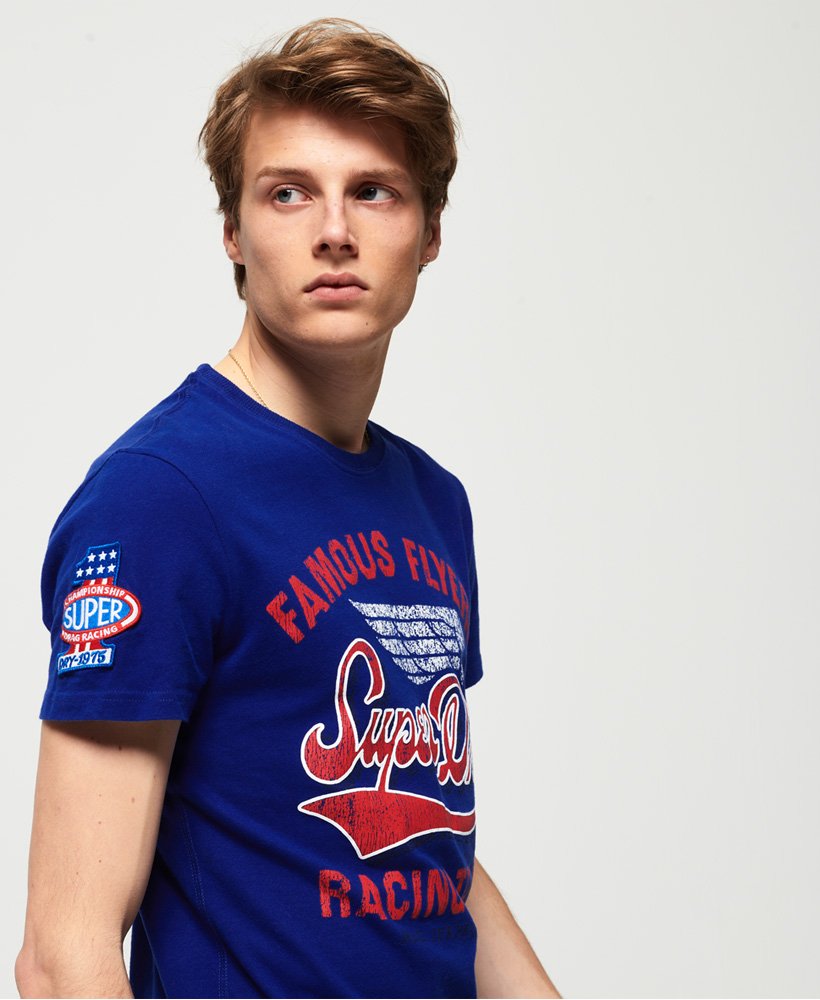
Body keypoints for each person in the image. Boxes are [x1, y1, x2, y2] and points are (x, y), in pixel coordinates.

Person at [16, 19, 560, 1000]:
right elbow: (64, 955)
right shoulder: (159, 498)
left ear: (431, 231)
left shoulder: (433, 502)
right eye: (288, 192)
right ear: (233, 231)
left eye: (374, 191)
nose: (334, 231)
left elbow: (430, 852)